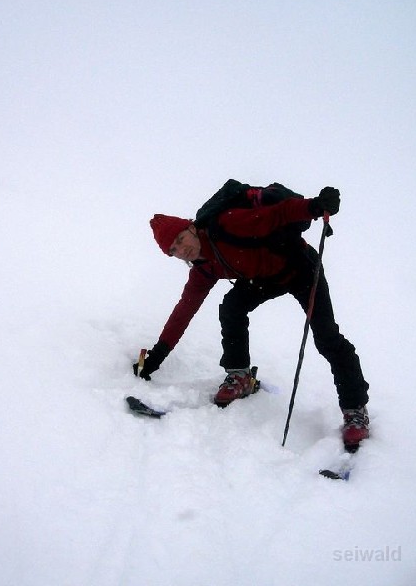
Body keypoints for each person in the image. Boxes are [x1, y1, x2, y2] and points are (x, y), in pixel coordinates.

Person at [133, 183, 369, 447]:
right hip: (264, 279)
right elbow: (184, 311)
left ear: (190, 228)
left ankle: (355, 410)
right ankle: (240, 375)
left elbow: (276, 215)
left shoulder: (227, 224)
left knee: (326, 337)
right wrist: (157, 356)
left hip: (300, 267)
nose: (181, 249)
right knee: (232, 307)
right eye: (173, 250)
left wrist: (314, 206)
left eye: (180, 239)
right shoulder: (204, 268)